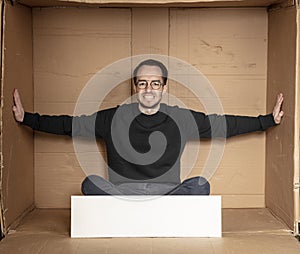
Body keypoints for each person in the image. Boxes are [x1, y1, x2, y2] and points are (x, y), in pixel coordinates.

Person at [12, 59, 284, 196]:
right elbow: (68, 125)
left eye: (155, 83)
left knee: (200, 185)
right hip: (122, 193)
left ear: (164, 88)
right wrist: (27, 118)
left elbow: (222, 124)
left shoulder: (180, 119)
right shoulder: (113, 117)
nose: (148, 89)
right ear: (135, 87)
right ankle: (130, 212)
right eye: (142, 83)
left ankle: (155, 213)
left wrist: (267, 121)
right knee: (89, 184)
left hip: (168, 193)